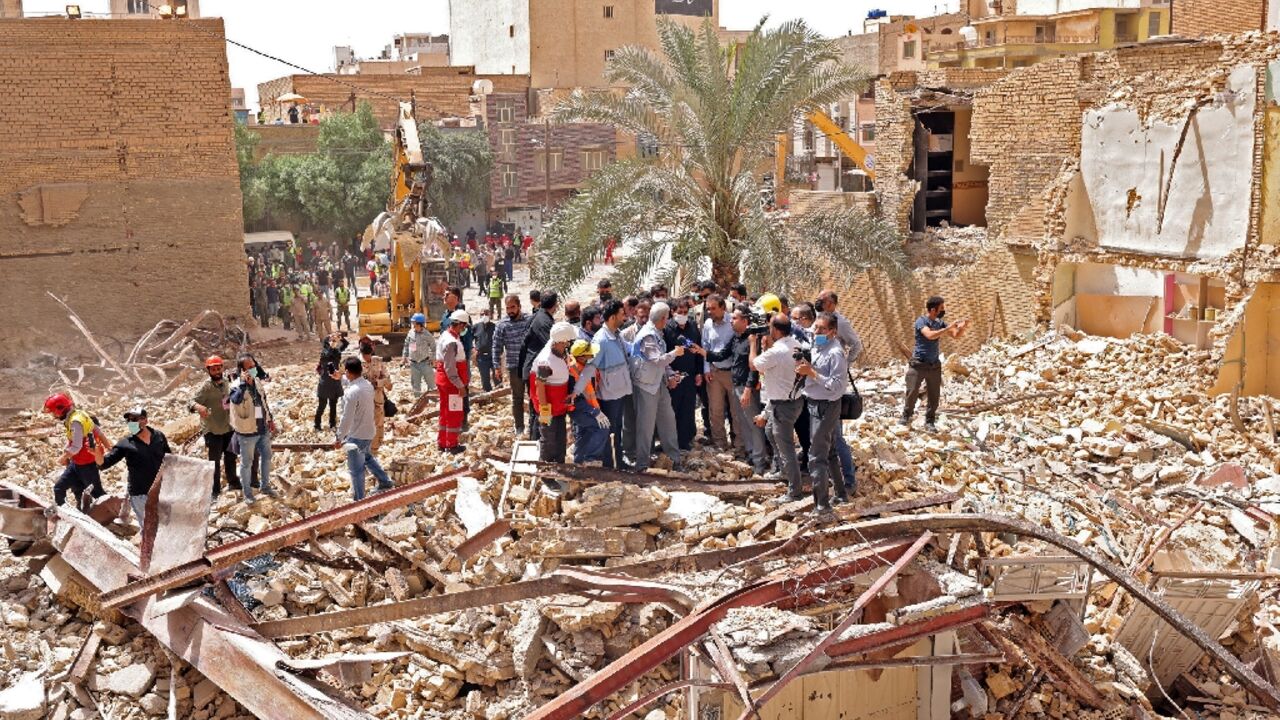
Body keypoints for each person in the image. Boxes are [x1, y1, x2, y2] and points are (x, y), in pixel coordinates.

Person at [704, 304, 768, 475]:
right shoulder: (737, 338)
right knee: (743, 423)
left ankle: (760, 461)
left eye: (734, 318)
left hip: (747, 389)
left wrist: (748, 389)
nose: (730, 321)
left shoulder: (752, 340)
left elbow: (754, 368)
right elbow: (722, 355)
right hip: (736, 386)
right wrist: (702, 352)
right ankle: (750, 454)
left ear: (745, 321)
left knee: (754, 424)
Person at [796, 313, 848, 512]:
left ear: (833, 332)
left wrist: (812, 374)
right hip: (815, 403)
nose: (816, 332)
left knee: (817, 456)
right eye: (815, 328)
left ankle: (822, 505)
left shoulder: (835, 353)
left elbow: (837, 386)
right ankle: (841, 494)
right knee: (830, 451)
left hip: (826, 406)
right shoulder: (818, 345)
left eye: (821, 329)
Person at [571, 299, 632, 469]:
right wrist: (576, 391)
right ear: (613, 317)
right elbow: (590, 368)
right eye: (622, 314)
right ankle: (610, 465)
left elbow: (629, 349)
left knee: (617, 429)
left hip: (620, 391)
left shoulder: (616, 334)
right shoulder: (601, 340)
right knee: (609, 431)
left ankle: (618, 462)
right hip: (609, 394)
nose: (625, 316)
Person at [750, 314, 803, 493]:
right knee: (770, 431)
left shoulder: (777, 350)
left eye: (770, 327)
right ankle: (781, 470)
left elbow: (753, 364)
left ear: (776, 330)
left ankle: (794, 490)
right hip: (789, 401)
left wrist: (752, 344)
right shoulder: (795, 344)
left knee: (786, 446)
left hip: (783, 405)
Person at [629, 302, 684, 472]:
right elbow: (657, 360)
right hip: (646, 385)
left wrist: (670, 374)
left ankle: (674, 459)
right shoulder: (647, 335)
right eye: (667, 318)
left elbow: (661, 363)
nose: (667, 321)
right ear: (662, 318)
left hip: (658, 383)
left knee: (668, 420)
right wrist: (675, 353)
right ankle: (642, 464)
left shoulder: (657, 333)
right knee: (646, 426)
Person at [901, 295, 969, 432]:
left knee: (934, 396)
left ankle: (930, 421)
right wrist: (947, 328)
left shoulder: (940, 322)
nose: (944, 311)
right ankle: (906, 416)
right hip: (919, 364)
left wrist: (963, 327)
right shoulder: (921, 321)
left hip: (934, 365)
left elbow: (955, 335)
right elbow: (930, 335)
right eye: (942, 308)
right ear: (933, 309)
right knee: (912, 392)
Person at [98, 407, 170, 530]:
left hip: (163, 490)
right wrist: (96, 454)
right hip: (141, 494)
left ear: (145, 421)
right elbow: (104, 464)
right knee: (149, 529)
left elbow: (170, 459)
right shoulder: (125, 444)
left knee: (166, 525)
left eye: (135, 420)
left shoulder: (159, 436)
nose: (132, 423)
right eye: (130, 421)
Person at [332, 357, 394, 500]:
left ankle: (359, 501)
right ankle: (385, 481)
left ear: (347, 371)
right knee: (367, 457)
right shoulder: (367, 385)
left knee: (356, 470)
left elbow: (346, 418)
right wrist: (340, 378)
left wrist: (339, 438)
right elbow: (354, 382)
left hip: (356, 436)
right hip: (369, 432)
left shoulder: (351, 393)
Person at [43, 393, 107, 510]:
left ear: (60, 409)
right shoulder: (74, 418)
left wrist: (63, 457)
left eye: (53, 412)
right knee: (60, 488)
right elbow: (94, 432)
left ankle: (110, 514)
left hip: (87, 466)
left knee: (97, 494)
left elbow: (77, 446)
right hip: (76, 464)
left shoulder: (76, 421)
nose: (54, 416)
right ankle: (66, 514)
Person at [228, 354, 278, 504]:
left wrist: (270, 419)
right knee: (246, 463)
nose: (253, 369)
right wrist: (243, 384)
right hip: (247, 431)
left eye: (254, 366)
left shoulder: (256, 382)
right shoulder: (235, 385)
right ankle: (248, 494)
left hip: (262, 428)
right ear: (242, 370)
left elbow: (263, 401)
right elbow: (236, 400)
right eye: (249, 367)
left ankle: (265, 486)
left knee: (267, 457)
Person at [189, 355, 239, 498]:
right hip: (213, 430)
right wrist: (199, 407)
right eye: (213, 369)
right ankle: (215, 490)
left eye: (219, 368)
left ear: (222, 368)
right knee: (214, 462)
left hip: (229, 427)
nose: (217, 371)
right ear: (208, 371)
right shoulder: (206, 387)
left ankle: (233, 482)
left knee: (230, 457)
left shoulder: (226, 382)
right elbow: (191, 402)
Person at [531, 322, 578, 463]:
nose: (568, 345)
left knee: (560, 438)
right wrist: (544, 410)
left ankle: (559, 466)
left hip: (559, 406)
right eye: (566, 343)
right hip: (549, 407)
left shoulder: (557, 349)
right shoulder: (545, 361)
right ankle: (546, 472)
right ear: (560, 341)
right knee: (549, 440)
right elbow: (540, 385)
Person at [700, 294, 739, 452]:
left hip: (732, 373)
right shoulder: (708, 324)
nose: (710, 312)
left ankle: (739, 446)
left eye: (713, 308)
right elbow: (705, 347)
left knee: (736, 412)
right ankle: (720, 444)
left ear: (723, 308)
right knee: (715, 411)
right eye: (708, 308)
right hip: (714, 373)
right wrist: (706, 369)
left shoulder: (733, 322)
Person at [519, 291, 559, 440]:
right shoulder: (543, 322)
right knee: (540, 408)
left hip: (533, 370)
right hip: (538, 372)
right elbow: (550, 346)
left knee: (539, 408)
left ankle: (540, 439)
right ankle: (540, 441)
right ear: (555, 305)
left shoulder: (539, 317)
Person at [664, 297, 702, 451]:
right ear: (673, 312)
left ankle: (685, 441)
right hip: (673, 376)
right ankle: (671, 442)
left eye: (685, 312)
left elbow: (698, 351)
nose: (683, 315)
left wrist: (699, 372)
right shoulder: (667, 329)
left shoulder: (693, 326)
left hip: (690, 375)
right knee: (673, 409)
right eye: (680, 312)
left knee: (687, 409)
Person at [493, 295, 532, 436]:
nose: (510, 311)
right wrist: (497, 366)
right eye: (508, 308)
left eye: (513, 307)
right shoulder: (502, 325)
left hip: (530, 366)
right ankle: (519, 427)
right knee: (517, 398)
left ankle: (534, 426)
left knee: (534, 397)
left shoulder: (529, 320)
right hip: (514, 367)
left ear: (519, 306)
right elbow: (496, 347)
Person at [567, 340, 611, 464]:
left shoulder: (582, 366)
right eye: (589, 355)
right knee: (602, 428)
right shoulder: (572, 371)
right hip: (580, 409)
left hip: (586, 407)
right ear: (581, 357)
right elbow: (575, 399)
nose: (592, 357)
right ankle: (590, 459)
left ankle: (578, 463)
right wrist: (594, 412)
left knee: (583, 434)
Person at [436, 310, 471, 453]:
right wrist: (460, 386)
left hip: (445, 382)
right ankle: (451, 444)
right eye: (464, 326)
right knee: (454, 414)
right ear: (460, 324)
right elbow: (450, 368)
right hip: (451, 384)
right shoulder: (451, 342)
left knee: (445, 412)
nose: (464, 329)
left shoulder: (446, 336)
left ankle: (442, 442)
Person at [358, 337, 392, 451]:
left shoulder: (378, 361)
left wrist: (378, 383)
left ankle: (375, 447)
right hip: (363, 399)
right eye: (364, 356)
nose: (367, 359)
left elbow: (388, 380)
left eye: (368, 355)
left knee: (378, 423)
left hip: (377, 398)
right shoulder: (357, 364)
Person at [316, 333, 348, 431]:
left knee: (333, 405)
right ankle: (317, 425)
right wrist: (330, 338)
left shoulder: (337, 351)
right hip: (325, 383)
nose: (333, 342)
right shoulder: (324, 353)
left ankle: (332, 424)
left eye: (334, 341)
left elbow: (346, 344)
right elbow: (326, 357)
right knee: (322, 405)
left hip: (334, 383)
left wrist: (340, 338)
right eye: (331, 341)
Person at [402, 313, 437, 396]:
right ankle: (417, 400)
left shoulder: (427, 335)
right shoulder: (411, 333)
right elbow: (406, 345)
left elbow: (434, 348)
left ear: (420, 324)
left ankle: (433, 400)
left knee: (431, 384)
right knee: (415, 385)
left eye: (415, 323)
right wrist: (404, 357)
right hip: (414, 364)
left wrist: (432, 359)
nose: (413, 325)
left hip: (425, 363)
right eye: (413, 323)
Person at [473, 309, 496, 392]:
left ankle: (499, 392)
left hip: (493, 355)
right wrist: (474, 351)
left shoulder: (495, 326)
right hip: (481, 357)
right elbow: (470, 339)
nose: (484, 316)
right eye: (482, 314)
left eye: (486, 314)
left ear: (490, 315)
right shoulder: (476, 327)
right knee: (485, 378)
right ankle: (488, 394)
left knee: (497, 376)